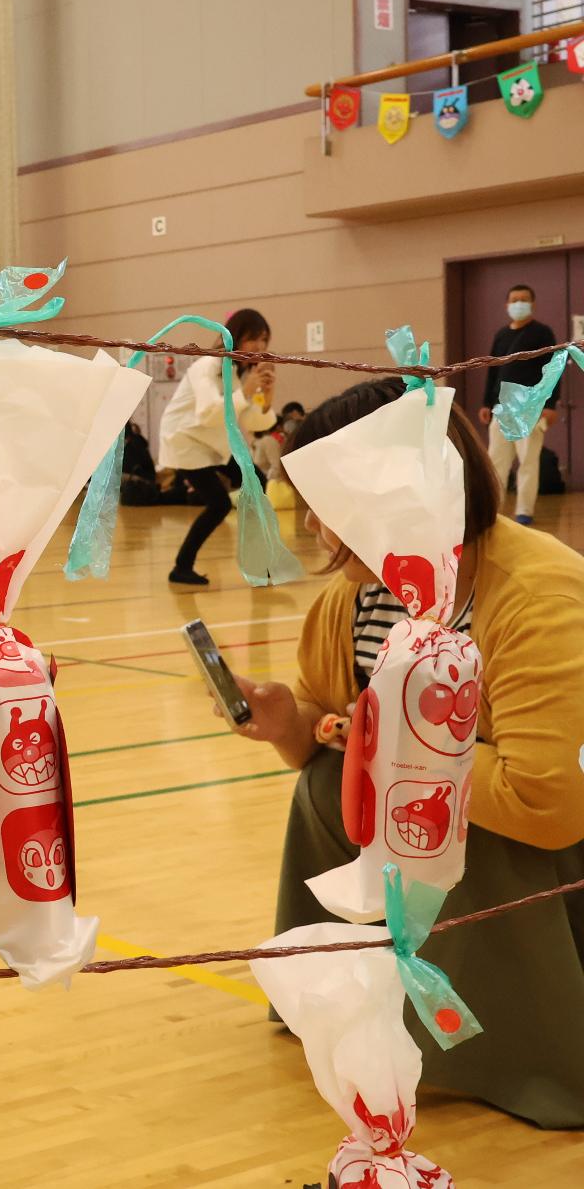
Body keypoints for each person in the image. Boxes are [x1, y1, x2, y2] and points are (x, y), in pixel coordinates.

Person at [230, 378, 584, 1130]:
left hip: (543, 848)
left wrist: (400, 741)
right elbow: (329, 741)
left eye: (328, 500)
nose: (315, 525)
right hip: (437, 826)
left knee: (453, 817)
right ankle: (357, 987)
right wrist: (290, 720)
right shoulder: (358, 596)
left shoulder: (534, 593)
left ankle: (521, 1053)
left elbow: (549, 804)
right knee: (328, 786)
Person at [155, 308, 277, 587]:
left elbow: (253, 422)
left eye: (264, 341)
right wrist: (247, 393)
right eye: (254, 339)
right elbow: (208, 413)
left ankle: (258, 564)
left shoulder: (236, 373)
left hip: (215, 442)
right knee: (219, 504)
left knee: (256, 486)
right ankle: (181, 567)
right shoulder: (207, 365)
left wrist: (267, 398)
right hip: (186, 441)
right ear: (237, 336)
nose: (260, 348)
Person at [478, 282, 560, 525]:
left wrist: (550, 404)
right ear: (507, 304)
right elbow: (493, 370)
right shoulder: (501, 335)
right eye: (514, 300)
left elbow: (553, 370)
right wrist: (486, 403)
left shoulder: (542, 333)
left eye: (523, 299)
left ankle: (524, 512)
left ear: (532, 304)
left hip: (530, 406)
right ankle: (493, 510)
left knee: (528, 461)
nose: (518, 304)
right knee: (495, 462)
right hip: (501, 407)